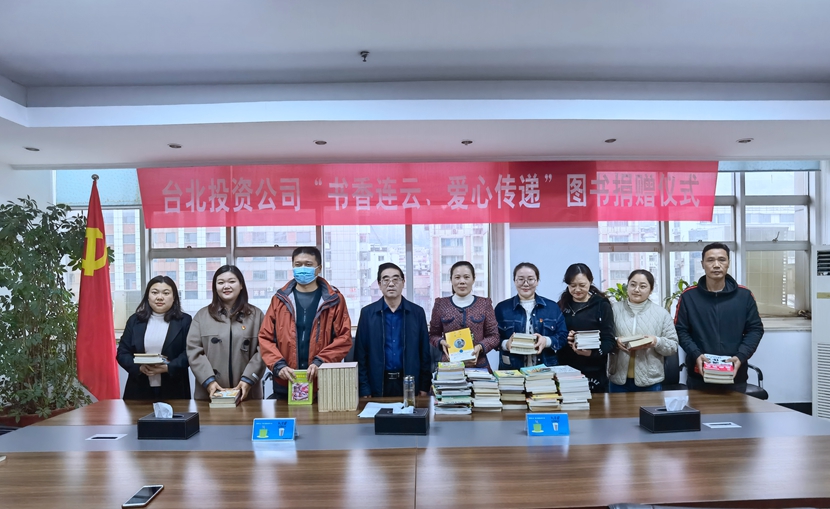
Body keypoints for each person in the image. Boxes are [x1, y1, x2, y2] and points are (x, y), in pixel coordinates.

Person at [258, 246, 352, 399]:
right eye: (298, 264)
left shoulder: (334, 300)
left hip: (322, 383)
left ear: (318, 268)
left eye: (308, 264)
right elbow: (265, 337)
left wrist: (321, 361)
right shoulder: (279, 300)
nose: (302, 269)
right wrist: (278, 365)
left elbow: (344, 338)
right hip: (285, 382)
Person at [675, 242, 764, 392]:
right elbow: (680, 330)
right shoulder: (689, 296)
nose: (716, 265)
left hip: (735, 375)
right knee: (699, 408)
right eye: (710, 260)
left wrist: (741, 356)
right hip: (699, 376)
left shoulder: (744, 296)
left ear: (728, 263)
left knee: (736, 408)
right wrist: (696, 354)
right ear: (702, 264)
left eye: (722, 260)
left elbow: (755, 329)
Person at [186, 265, 266, 401]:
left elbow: (263, 350)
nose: (226, 286)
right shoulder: (202, 316)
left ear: (241, 285)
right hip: (209, 394)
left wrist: (248, 379)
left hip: (247, 393)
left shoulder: (256, 315)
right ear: (215, 287)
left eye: (232, 281)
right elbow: (194, 351)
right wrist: (209, 381)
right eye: (221, 282)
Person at [355, 263, 431, 398]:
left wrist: (424, 386)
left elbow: (424, 352)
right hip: (377, 383)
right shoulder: (367, 313)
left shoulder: (417, 313)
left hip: (409, 383)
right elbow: (360, 354)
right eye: (386, 279)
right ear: (379, 284)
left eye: (396, 279)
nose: (391, 284)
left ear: (403, 283)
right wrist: (364, 387)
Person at [116, 275, 192, 400]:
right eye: (154, 292)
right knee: (137, 413)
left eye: (166, 293)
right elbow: (122, 353)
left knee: (174, 413)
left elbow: (189, 353)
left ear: (174, 297)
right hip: (139, 388)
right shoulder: (135, 320)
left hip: (174, 387)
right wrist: (139, 368)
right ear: (148, 296)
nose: (159, 297)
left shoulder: (184, 321)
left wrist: (168, 368)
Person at [608, 269, 678, 392]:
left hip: (650, 381)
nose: (636, 289)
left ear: (651, 290)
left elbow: (673, 346)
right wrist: (615, 341)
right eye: (633, 284)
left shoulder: (661, 314)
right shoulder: (613, 310)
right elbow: (603, 338)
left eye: (643, 286)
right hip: (618, 379)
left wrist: (656, 341)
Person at [494, 262, 568, 370]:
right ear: (514, 281)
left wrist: (546, 341)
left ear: (537, 281)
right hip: (512, 371)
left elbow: (563, 336)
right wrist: (506, 344)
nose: (525, 284)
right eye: (521, 279)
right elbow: (493, 337)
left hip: (545, 370)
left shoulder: (552, 308)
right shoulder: (502, 308)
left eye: (530, 279)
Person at [557, 263, 616, 393]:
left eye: (582, 285)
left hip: (594, 370)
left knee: (595, 405)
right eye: (573, 286)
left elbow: (609, 341)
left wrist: (591, 353)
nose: (577, 289)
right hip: (566, 368)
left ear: (590, 281)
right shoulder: (561, 305)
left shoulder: (601, 305)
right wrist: (566, 337)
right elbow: (555, 335)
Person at [429, 261, 499, 370]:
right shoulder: (440, 304)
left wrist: (480, 347)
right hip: (449, 366)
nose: (462, 281)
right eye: (457, 277)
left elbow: (494, 336)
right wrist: (441, 342)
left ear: (473, 279)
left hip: (479, 367)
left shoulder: (484, 304)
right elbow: (433, 335)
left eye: (466, 277)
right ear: (451, 280)